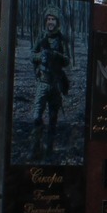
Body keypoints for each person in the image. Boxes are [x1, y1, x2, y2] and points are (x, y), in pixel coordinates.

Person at [29, 13, 71, 159]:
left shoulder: (61, 39)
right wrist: (42, 56)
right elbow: (32, 55)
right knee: (37, 116)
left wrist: (55, 55)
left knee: (53, 118)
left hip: (55, 84)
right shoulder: (41, 38)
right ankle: (35, 147)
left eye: (53, 20)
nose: (51, 22)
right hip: (42, 82)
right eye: (48, 19)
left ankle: (49, 149)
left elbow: (67, 60)